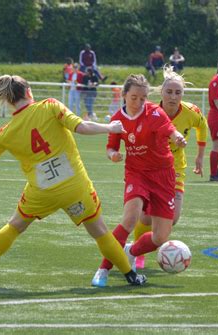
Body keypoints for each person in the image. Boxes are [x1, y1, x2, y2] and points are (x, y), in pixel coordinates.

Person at [0, 74, 147, 288]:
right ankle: (131, 276)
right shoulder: (50, 106)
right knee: (100, 232)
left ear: (9, 100)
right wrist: (109, 128)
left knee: (14, 226)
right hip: (75, 188)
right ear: (29, 92)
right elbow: (81, 127)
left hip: (42, 193)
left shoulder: (5, 132)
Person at [91, 74, 187, 287]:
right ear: (124, 95)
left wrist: (178, 138)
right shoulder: (118, 119)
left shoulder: (155, 112)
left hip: (163, 175)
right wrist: (113, 155)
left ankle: (130, 251)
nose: (138, 102)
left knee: (161, 237)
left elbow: (170, 130)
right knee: (130, 219)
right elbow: (111, 146)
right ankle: (103, 270)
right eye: (134, 97)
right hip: (137, 174)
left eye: (143, 98)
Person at [131, 65, 208, 269]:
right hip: (151, 170)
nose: (173, 96)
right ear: (161, 92)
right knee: (146, 217)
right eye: (169, 92)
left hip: (176, 171)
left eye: (178, 92)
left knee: (172, 219)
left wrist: (200, 156)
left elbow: (202, 126)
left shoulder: (191, 112)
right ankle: (137, 253)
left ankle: (144, 245)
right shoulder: (149, 112)